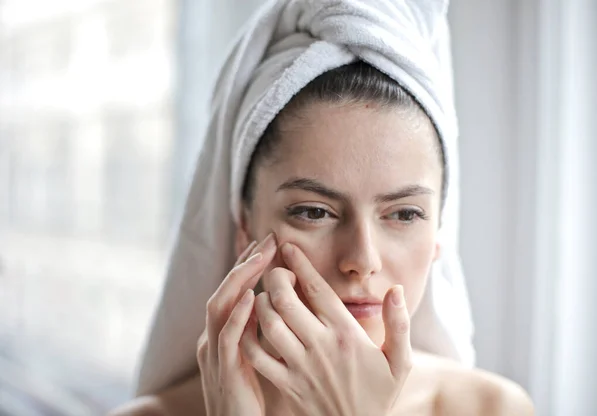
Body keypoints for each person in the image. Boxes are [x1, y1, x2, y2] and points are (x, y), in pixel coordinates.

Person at [111, 1, 534, 415]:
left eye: (404, 214)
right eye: (314, 212)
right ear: (243, 225)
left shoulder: (493, 408)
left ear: (439, 232)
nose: (361, 261)